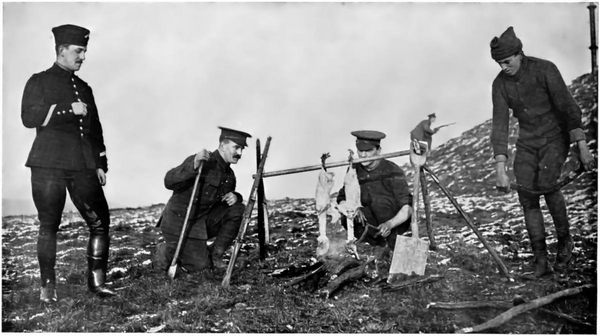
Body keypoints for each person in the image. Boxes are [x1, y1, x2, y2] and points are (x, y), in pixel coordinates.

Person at [489, 26, 595, 279]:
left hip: (554, 138)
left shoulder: (545, 69)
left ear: (519, 54)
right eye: (499, 63)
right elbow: (500, 125)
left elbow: (568, 107)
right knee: (527, 197)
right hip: (527, 142)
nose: (504, 67)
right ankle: (541, 262)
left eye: (507, 61)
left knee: (547, 184)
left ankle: (565, 242)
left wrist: (581, 145)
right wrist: (500, 169)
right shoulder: (500, 84)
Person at [21, 24, 116, 302]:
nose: (83, 56)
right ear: (61, 51)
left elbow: (94, 128)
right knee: (49, 224)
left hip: (82, 166)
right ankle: (48, 289)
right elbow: (28, 117)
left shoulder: (85, 88)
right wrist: (65, 110)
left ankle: (97, 284)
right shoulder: (38, 81)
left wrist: (100, 163)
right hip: (47, 164)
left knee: (101, 223)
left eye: (85, 50)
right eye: (78, 50)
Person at [155, 127, 250, 279]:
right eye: (236, 147)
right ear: (223, 145)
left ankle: (216, 255)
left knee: (238, 209)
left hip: (201, 225)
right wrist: (193, 164)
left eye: (242, 149)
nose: (239, 153)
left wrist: (236, 197)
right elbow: (169, 181)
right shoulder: (202, 161)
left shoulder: (229, 174)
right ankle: (166, 250)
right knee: (201, 270)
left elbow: (223, 207)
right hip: (179, 222)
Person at [336, 131, 413, 252]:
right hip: (369, 225)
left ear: (378, 150)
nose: (363, 155)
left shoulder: (392, 171)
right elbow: (342, 197)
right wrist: (354, 207)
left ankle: (390, 245)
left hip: (392, 224)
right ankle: (369, 246)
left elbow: (407, 207)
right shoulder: (354, 169)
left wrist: (389, 224)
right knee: (347, 217)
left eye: (368, 151)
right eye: (360, 151)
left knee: (380, 202)